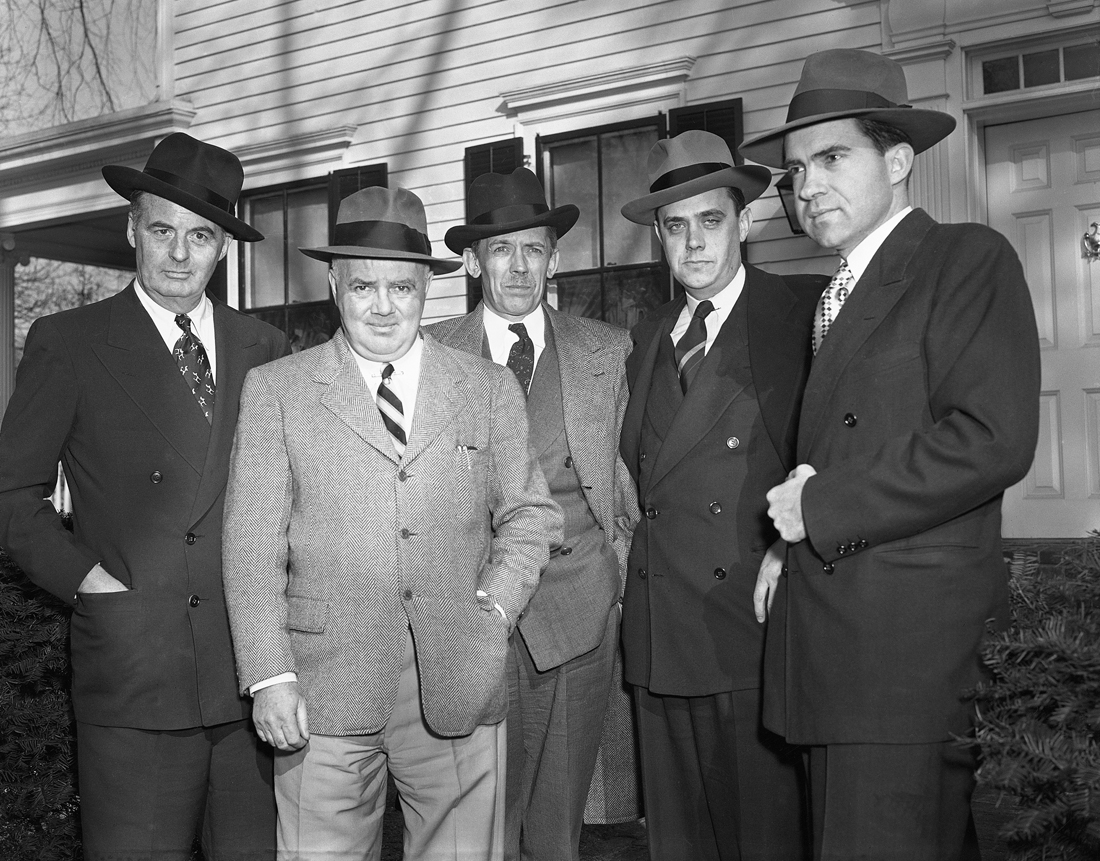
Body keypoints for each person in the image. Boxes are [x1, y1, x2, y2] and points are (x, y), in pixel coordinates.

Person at [740, 48, 1041, 860]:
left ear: (900, 160)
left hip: (901, 662)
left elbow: (992, 437)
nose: (806, 186)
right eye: (795, 169)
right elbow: (854, 438)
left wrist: (818, 510)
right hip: (836, 654)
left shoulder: (965, 260)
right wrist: (786, 543)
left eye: (832, 157)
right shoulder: (838, 291)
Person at [221, 185, 562, 861]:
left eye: (401, 288)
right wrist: (268, 674)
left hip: (458, 680)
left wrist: (492, 611)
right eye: (364, 287)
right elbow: (251, 545)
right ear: (334, 284)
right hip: (321, 688)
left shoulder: (486, 388)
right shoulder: (278, 390)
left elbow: (530, 515)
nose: (383, 307)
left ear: (426, 289)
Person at [0, 132, 289, 861]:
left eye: (200, 235)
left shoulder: (266, 348)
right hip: (134, 670)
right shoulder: (68, 341)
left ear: (224, 246)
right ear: (132, 227)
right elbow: (10, 495)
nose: (179, 254)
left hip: (251, 676)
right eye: (162, 230)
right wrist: (91, 584)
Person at [618, 130, 822, 860]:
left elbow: (838, 450)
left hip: (747, 629)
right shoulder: (645, 337)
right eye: (676, 227)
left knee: (761, 840)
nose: (694, 243)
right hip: (658, 634)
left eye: (710, 221)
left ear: (742, 221)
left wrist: (789, 549)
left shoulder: (800, 316)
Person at [427, 168, 640, 861]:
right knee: (472, 827)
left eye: (535, 249)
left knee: (557, 832)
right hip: (469, 619)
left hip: (579, 617)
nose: (519, 266)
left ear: (554, 258)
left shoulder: (606, 351)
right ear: (472, 259)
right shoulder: (429, 354)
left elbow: (626, 481)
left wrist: (620, 580)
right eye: (501, 249)